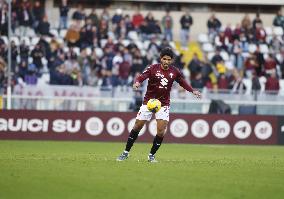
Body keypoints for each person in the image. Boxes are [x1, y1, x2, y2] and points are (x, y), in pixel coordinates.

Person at [117, 47, 201, 163]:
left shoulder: (175, 71)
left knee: (161, 131)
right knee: (137, 126)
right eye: (164, 59)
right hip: (149, 102)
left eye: (169, 60)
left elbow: (183, 82)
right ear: (161, 59)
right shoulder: (152, 68)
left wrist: (192, 91)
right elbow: (142, 77)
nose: (166, 61)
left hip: (163, 104)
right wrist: (137, 82)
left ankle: (151, 155)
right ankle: (125, 152)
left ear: (171, 60)